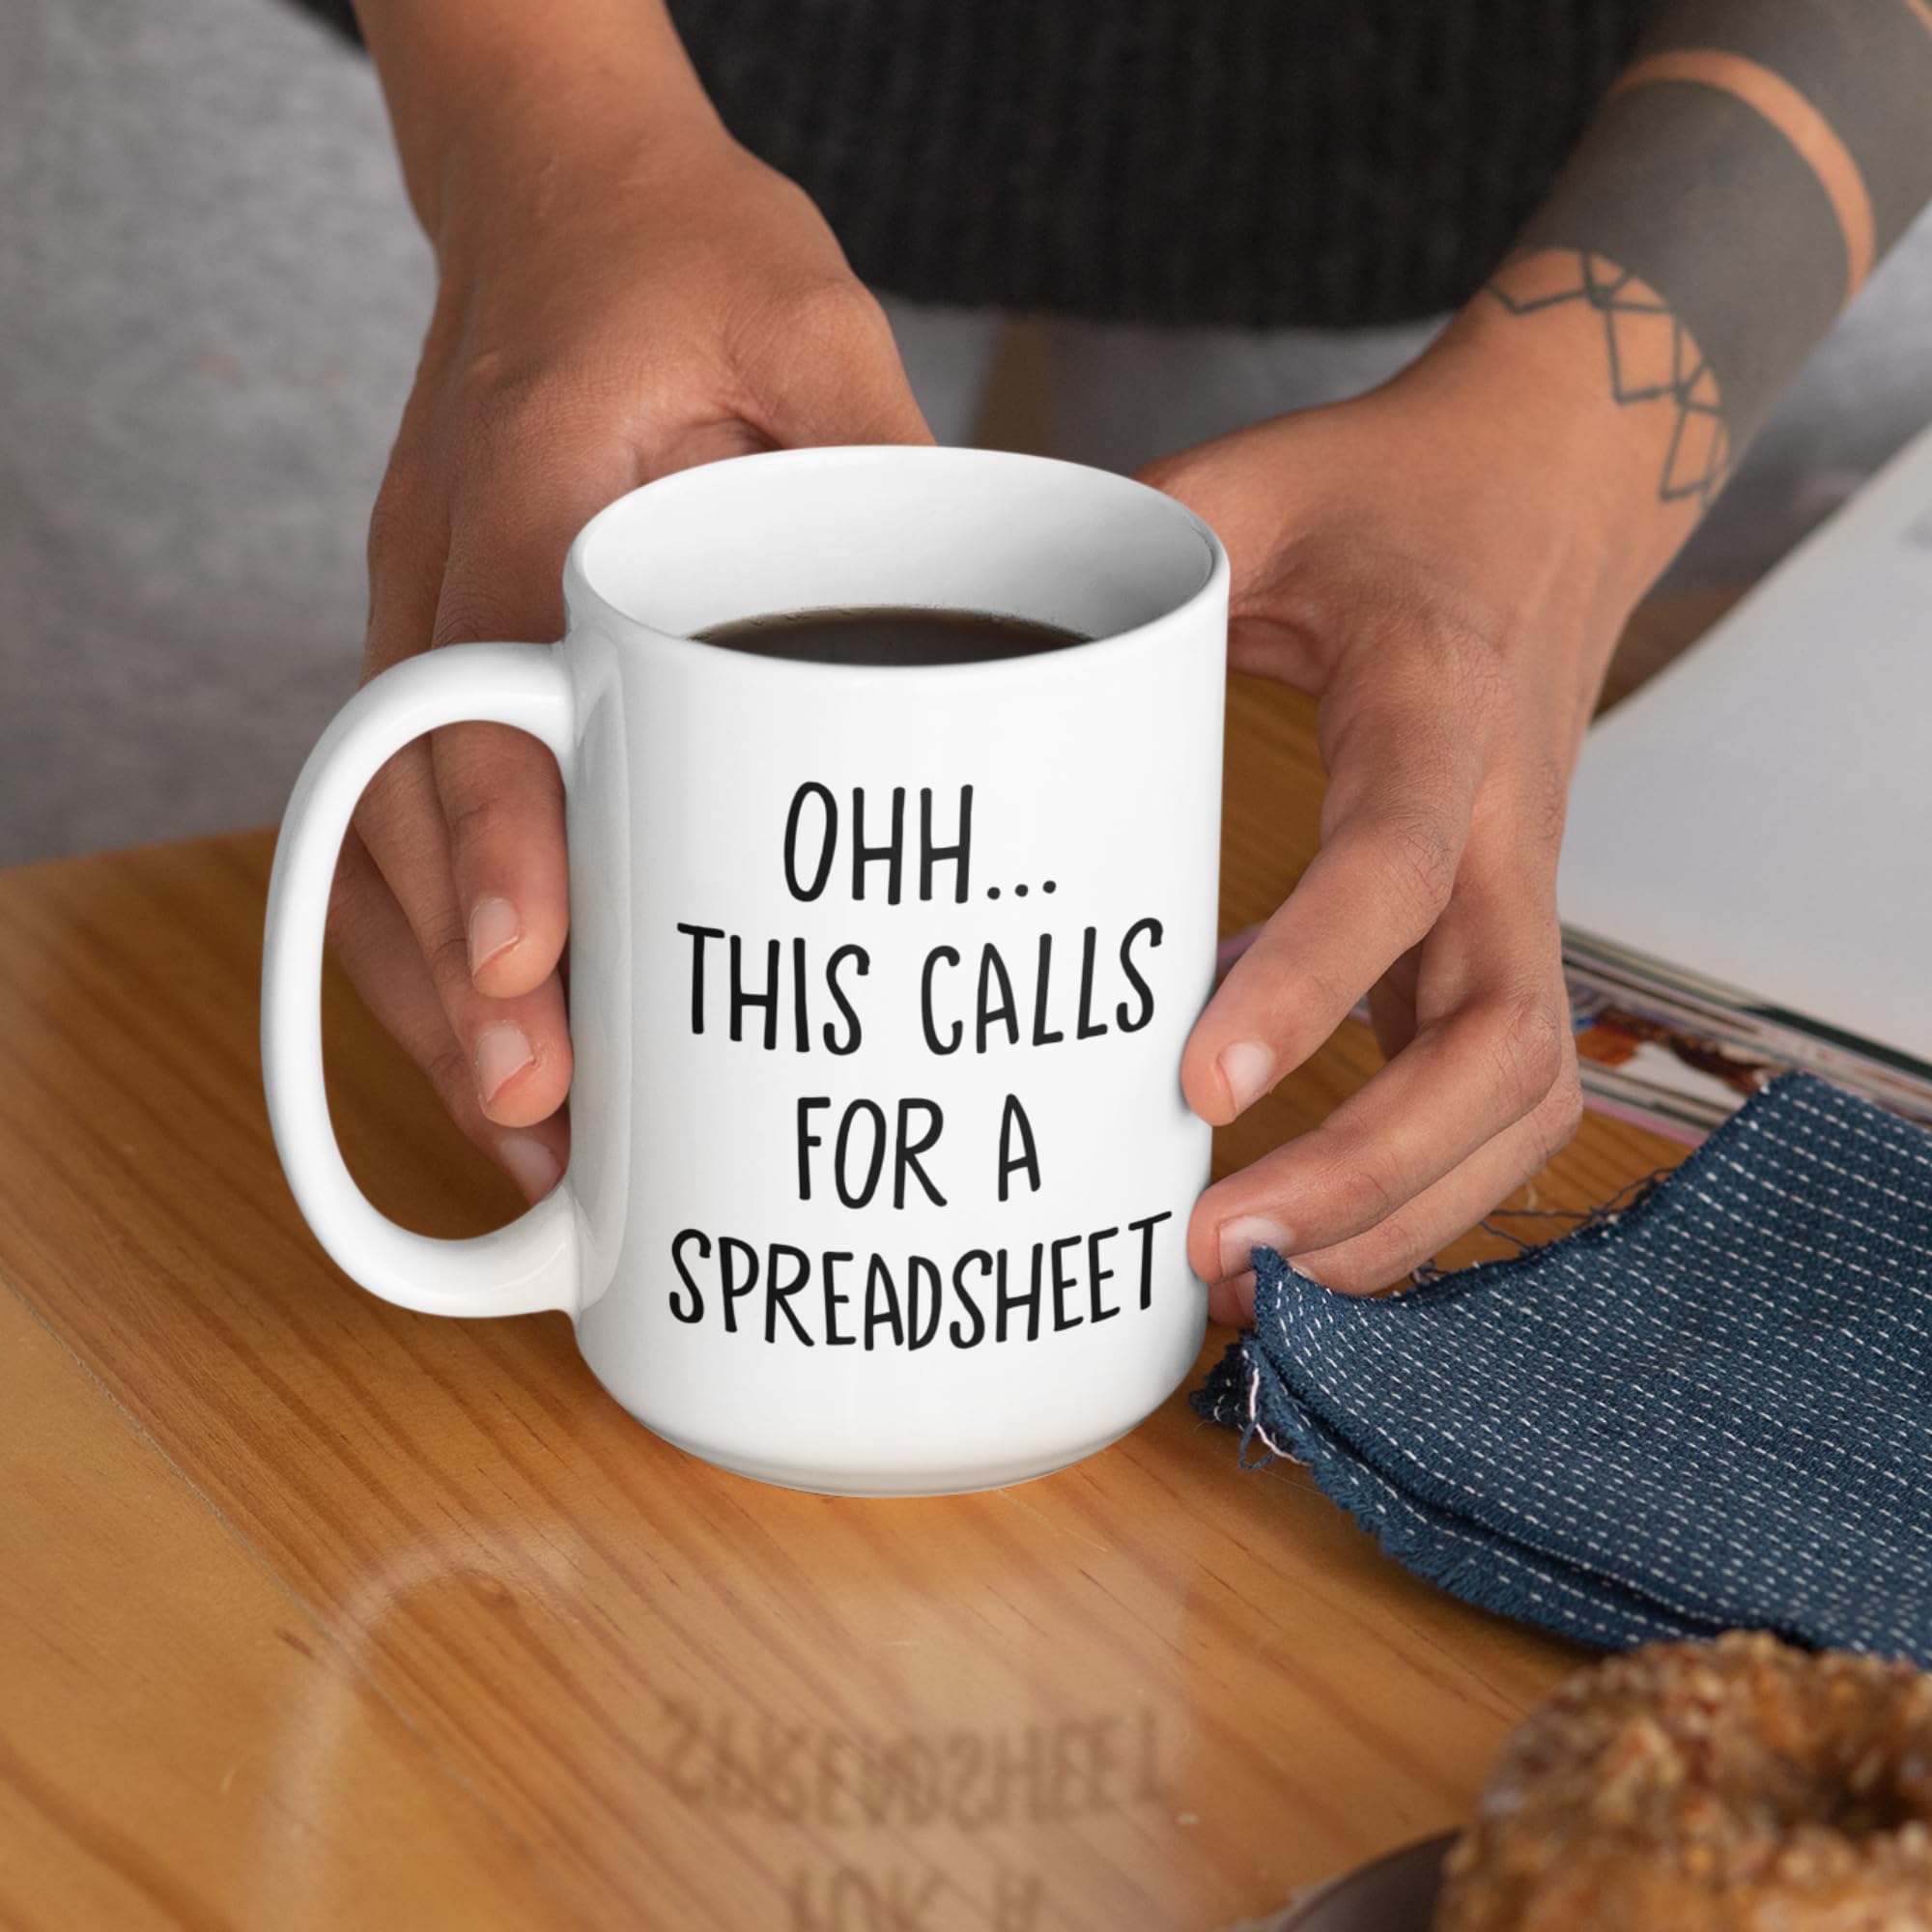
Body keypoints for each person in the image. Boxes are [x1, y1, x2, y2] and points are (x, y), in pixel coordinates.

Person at [26, 0, 1932, 1316]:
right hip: (398, 89)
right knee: (164, 1062)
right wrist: (535, 118)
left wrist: (1578, 454)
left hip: (1634, 126)